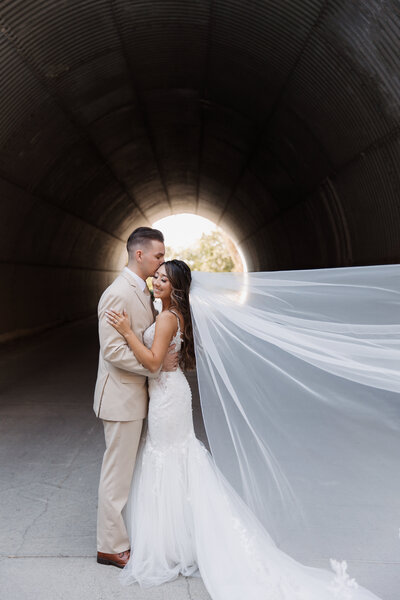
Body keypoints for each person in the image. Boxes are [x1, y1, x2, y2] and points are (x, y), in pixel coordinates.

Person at [105, 259, 385, 600]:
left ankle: (173, 545)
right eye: (157, 277)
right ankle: (181, 540)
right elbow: (159, 356)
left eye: (163, 279)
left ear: (176, 287)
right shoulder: (169, 312)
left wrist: (128, 332)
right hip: (169, 393)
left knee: (167, 459)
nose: (156, 282)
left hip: (167, 397)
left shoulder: (166, 317)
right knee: (175, 460)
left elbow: (152, 362)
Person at [94, 227, 178, 569]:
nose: (162, 261)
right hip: (120, 398)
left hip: (134, 397)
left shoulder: (141, 291)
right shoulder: (118, 294)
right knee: (116, 474)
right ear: (140, 254)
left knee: (126, 472)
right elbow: (113, 351)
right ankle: (110, 547)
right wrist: (155, 367)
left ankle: (123, 536)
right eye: (159, 256)